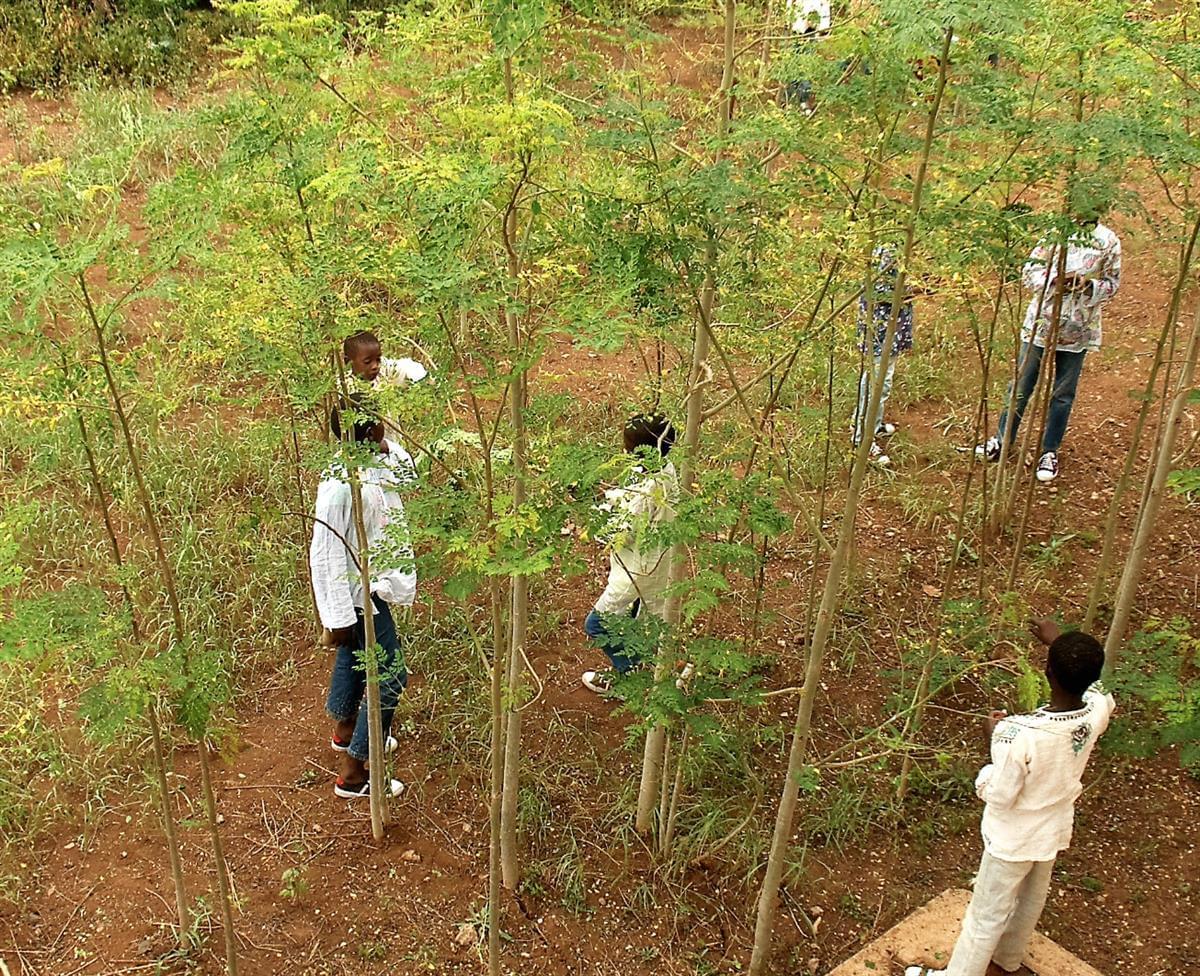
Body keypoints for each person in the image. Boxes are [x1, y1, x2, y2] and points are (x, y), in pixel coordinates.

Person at [904, 618, 1115, 976]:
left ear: (1047, 672)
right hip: (1052, 830)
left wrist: (992, 742)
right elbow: (1100, 690)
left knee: (984, 916)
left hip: (1012, 840)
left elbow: (1000, 794)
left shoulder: (1018, 734)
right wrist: (1059, 642)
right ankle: (1008, 960)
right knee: (1030, 900)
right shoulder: (1094, 714)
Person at [310, 396, 417, 798]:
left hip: (374, 586)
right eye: (380, 425)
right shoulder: (339, 485)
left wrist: (386, 447)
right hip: (357, 595)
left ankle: (344, 730)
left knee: (355, 659)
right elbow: (324, 552)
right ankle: (354, 771)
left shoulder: (373, 463)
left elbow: (408, 476)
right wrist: (338, 616)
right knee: (391, 677)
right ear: (369, 430)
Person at [976, 206, 1121, 483]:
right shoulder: (1055, 233)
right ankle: (1001, 440)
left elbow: (1113, 284)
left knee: (1063, 393)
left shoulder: (1109, 241)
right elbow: (1030, 271)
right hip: (1041, 323)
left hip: (1078, 328)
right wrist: (1055, 280)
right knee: (1021, 385)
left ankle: (1049, 451)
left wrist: (1087, 286)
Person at [581, 413, 680, 695]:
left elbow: (616, 531)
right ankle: (642, 668)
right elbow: (628, 498)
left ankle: (629, 677)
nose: (623, 450)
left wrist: (591, 506)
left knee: (597, 625)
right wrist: (607, 498)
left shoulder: (652, 488)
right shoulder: (664, 467)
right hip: (652, 564)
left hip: (639, 570)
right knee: (638, 622)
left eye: (627, 446)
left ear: (640, 450)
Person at [853, 244, 915, 467]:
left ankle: (873, 424)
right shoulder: (890, 246)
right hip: (881, 330)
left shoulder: (898, 242)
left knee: (883, 381)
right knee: (877, 383)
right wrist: (916, 288)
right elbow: (878, 289)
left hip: (891, 328)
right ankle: (862, 437)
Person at [783, 0, 832, 113]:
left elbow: (825, 7)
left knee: (805, 67)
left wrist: (823, 31)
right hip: (795, 29)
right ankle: (788, 100)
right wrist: (788, 23)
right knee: (791, 65)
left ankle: (803, 102)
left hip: (811, 32)